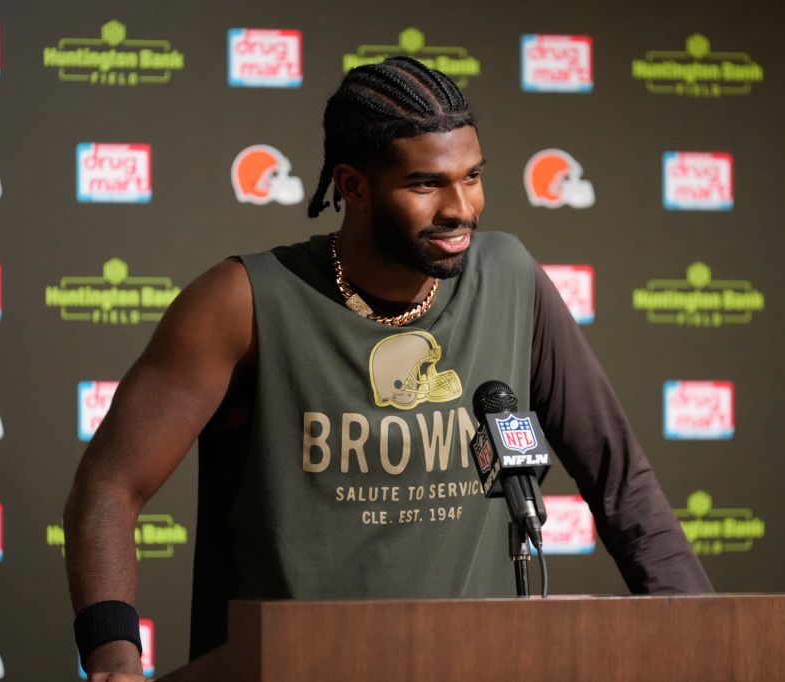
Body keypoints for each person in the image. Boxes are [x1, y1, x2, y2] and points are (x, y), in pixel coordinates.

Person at [64, 56, 713, 680]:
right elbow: (109, 489)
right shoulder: (242, 303)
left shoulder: (511, 279)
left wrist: (706, 644)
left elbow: (620, 478)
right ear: (354, 187)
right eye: (426, 184)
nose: (460, 208)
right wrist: (115, 660)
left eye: (472, 176)